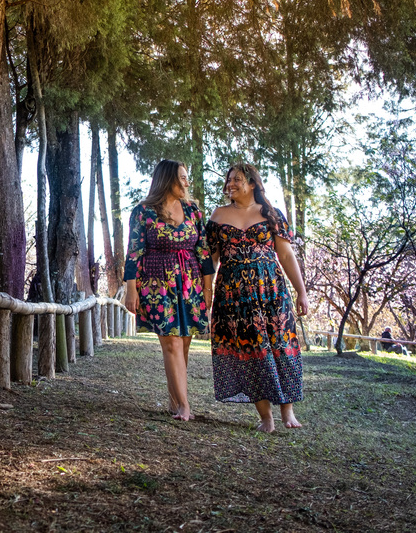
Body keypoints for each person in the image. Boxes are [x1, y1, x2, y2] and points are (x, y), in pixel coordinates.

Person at [206, 163, 309, 433]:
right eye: (229, 180)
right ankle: (266, 417)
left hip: (271, 291)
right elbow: (211, 260)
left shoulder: (271, 214)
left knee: (280, 346)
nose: (231, 184)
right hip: (234, 296)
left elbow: (286, 255)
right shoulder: (218, 216)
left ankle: (287, 411)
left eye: (237, 180)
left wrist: (302, 291)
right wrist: (205, 294)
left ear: (252, 184)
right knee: (250, 352)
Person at [123, 159, 214, 421]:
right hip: (157, 283)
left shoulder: (193, 210)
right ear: (167, 179)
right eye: (182, 177)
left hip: (191, 282)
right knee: (171, 342)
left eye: (187, 177)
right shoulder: (143, 211)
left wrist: (208, 287)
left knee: (183, 344)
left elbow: (204, 251)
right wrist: (132, 290)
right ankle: (185, 405)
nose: (187, 182)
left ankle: (175, 402)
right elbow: (134, 252)